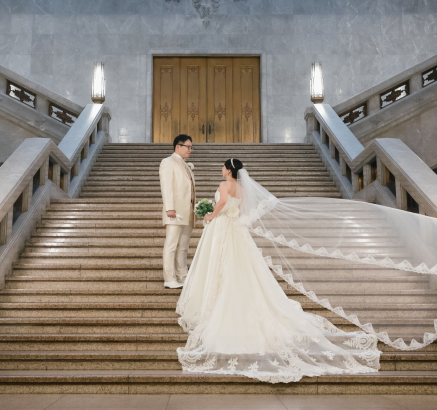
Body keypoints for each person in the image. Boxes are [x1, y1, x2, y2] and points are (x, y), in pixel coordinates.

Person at [176, 158, 380, 383]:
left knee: (223, 265)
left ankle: (217, 302)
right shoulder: (243, 188)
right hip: (237, 230)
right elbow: (243, 211)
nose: (221, 169)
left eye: (223, 166)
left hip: (224, 229)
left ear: (228, 170)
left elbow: (223, 202)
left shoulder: (224, 185)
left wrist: (211, 215)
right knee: (243, 269)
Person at [158, 134, 196, 289]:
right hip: (175, 211)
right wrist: (169, 208)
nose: (190, 150)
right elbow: (166, 186)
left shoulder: (185, 164)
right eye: (188, 147)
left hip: (187, 212)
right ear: (177, 147)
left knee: (183, 246)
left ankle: (182, 274)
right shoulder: (168, 162)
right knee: (172, 245)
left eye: (191, 147)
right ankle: (169, 278)